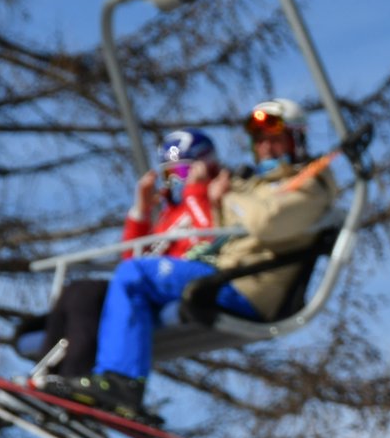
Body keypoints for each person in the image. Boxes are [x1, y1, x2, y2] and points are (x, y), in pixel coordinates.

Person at [42, 99, 337, 419]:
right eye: (260, 140)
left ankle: (121, 384)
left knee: (134, 276)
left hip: (244, 285)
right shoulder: (252, 186)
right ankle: (65, 381)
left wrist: (224, 195)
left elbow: (264, 222)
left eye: (275, 138)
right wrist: (146, 211)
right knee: (93, 291)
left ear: (297, 140)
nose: (266, 147)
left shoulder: (309, 186)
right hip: (221, 274)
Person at [38, 129, 221, 377]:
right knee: (79, 292)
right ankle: (49, 375)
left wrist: (197, 192)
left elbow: (208, 239)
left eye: (183, 172)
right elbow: (132, 262)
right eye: (170, 174)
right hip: (152, 282)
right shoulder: (171, 214)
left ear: (204, 166)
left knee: (95, 294)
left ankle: (81, 378)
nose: (177, 181)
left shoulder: (212, 197)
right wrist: (141, 212)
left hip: (184, 282)